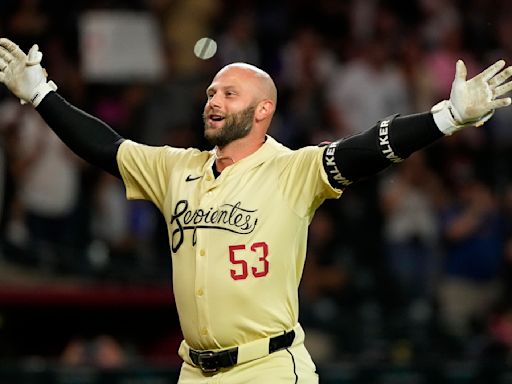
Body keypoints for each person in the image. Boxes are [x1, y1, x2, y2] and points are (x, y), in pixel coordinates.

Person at [0, 37, 511, 383]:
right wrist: (41, 94)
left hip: (266, 369)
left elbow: (364, 150)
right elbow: (103, 147)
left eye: (229, 92)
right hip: (194, 371)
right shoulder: (175, 168)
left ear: (263, 109)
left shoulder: (293, 171)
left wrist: (445, 117)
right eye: (210, 92)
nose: (213, 100)